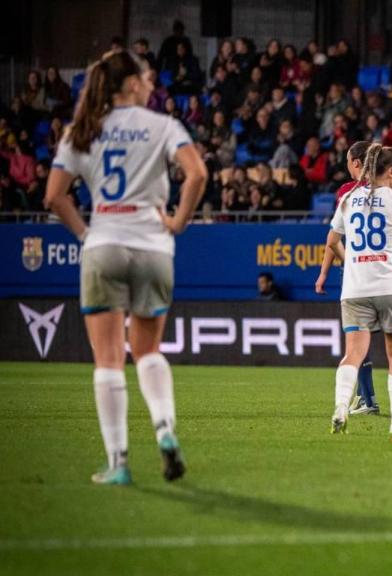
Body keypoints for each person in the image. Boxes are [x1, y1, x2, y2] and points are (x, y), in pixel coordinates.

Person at [44, 51, 207, 485]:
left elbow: (55, 196)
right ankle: (166, 432)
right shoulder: (164, 125)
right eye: (147, 78)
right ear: (131, 84)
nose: (152, 84)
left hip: (105, 243)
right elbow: (197, 174)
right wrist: (176, 222)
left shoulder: (82, 130)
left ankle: (118, 463)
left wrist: (86, 235)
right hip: (153, 246)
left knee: (109, 360)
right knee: (149, 351)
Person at [326, 144, 392, 435]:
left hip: (354, 287)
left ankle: (342, 406)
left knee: (353, 353)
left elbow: (332, 239)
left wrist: (351, 260)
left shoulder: (348, 199)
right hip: (391, 285)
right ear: (390, 171)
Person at [315, 141, 380, 417]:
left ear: (355, 162)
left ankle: (368, 399)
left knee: (357, 341)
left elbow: (333, 240)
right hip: (389, 274)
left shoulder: (346, 193)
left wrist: (327, 272)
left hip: (357, 277)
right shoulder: (390, 189)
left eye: (347, 161)